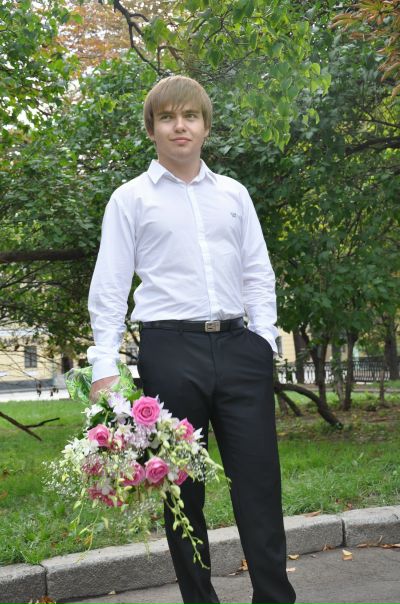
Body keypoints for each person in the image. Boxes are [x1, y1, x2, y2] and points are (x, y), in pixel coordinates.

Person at [87, 75, 296, 604]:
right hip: (170, 352)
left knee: (259, 485)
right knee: (182, 491)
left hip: (240, 348)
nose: (179, 126)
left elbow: (258, 272)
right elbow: (109, 287)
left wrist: (264, 341)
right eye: (167, 117)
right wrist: (104, 366)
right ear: (152, 129)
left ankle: (275, 598)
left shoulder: (233, 195)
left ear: (205, 127)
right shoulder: (130, 199)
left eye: (190, 117)